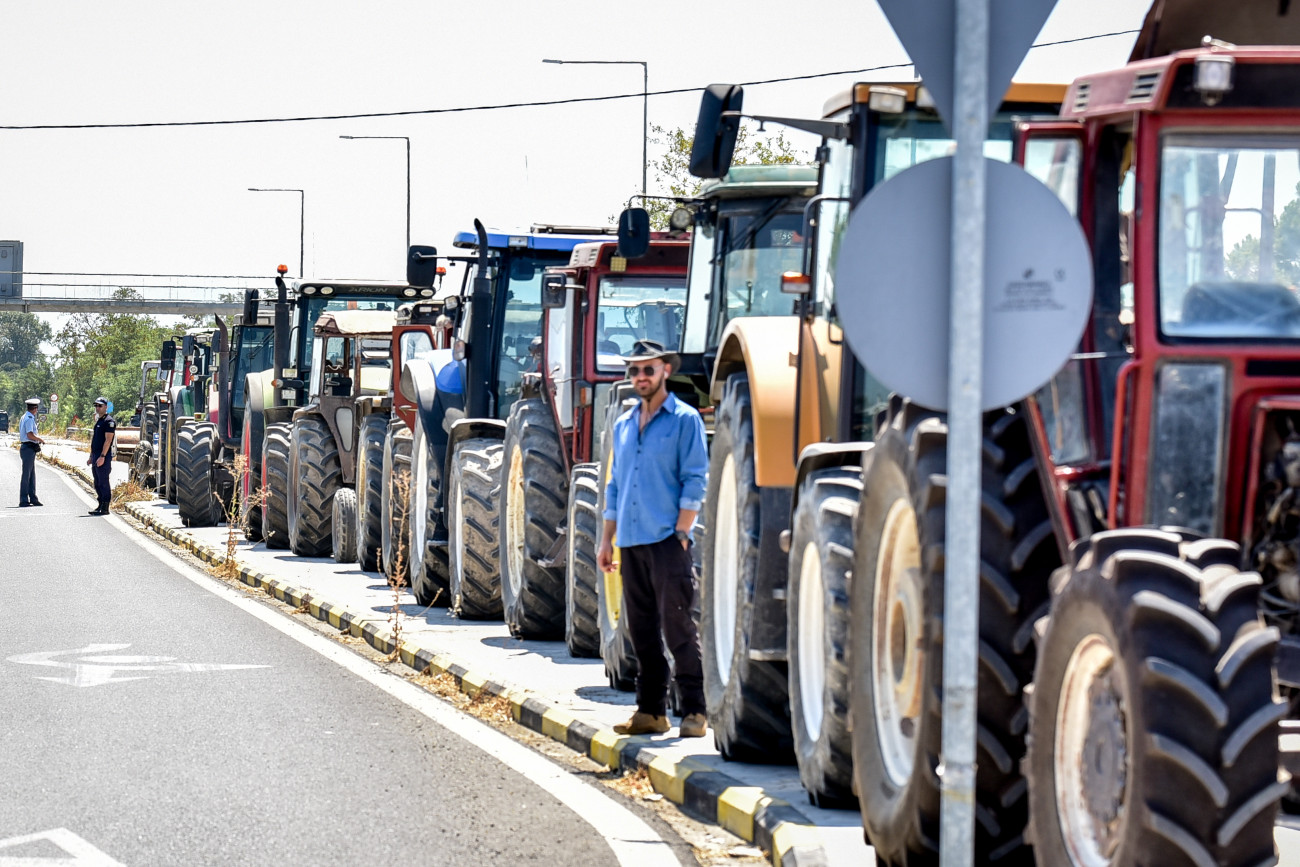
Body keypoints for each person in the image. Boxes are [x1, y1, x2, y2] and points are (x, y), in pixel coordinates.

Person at [597, 340, 710, 739]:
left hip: (666, 540)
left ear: (666, 370)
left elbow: (695, 479)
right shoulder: (624, 425)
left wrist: (682, 532)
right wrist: (607, 540)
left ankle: (694, 711)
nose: (641, 377)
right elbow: (615, 486)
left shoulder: (685, 420)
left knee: (677, 626)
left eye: (649, 369)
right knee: (641, 630)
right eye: (635, 371)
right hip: (630, 541)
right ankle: (650, 712)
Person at [87, 396, 116, 515]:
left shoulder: (109, 422)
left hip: (103, 455)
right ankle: (100, 504)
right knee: (97, 482)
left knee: (103, 481)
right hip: (96, 455)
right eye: (96, 406)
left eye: (100, 406)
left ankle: (105, 507)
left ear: (106, 407)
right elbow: (95, 440)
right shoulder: (99, 420)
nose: (97, 408)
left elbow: (108, 441)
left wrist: (102, 456)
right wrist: (91, 456)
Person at [17, 397, 44, 507]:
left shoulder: (25, 416)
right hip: (28, 447)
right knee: (26, 474)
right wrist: (40, 439)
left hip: (29, 448)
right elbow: (30, 435)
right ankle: (24, 499)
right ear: (35, 408)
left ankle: (33, 497)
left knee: (31, 474)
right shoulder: (29, 418)